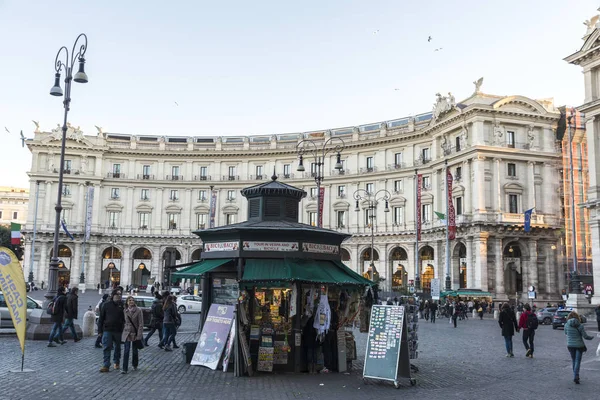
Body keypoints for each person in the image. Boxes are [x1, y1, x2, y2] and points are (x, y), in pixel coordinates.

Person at [98, 289, 125, 372]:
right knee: (107, 347)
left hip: (118, 330)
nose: (119, 296)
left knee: (117, 347)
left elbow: (124, 318)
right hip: (107, 329)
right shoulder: (106, 305)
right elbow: (101, 318)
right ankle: (106, 365)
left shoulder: (122, 305)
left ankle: (116, 362)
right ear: (113, 295)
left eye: (120, 295)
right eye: (117, 294)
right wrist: (100, 331)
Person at [564, 311, 595, 384]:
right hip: (579, 345)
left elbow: (566, 333)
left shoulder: (566, 325)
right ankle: (576, 376)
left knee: (574, 360)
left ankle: (575, 375)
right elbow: (585, 336)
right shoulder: (580, 325)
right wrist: (591, 338)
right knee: (578, 361)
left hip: (570, 345)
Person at [121, 296, 144, 374]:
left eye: (133, 300)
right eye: (130, 300)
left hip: (135, 332)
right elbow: (123, 321)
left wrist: (139, 335)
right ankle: (125, 368)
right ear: (127, 302)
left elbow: (141, 323)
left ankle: (135, 364)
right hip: (127, 332)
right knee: (126, 350)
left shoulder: (138, 310)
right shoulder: (125, 310)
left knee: (134, 351)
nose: (131, 301)